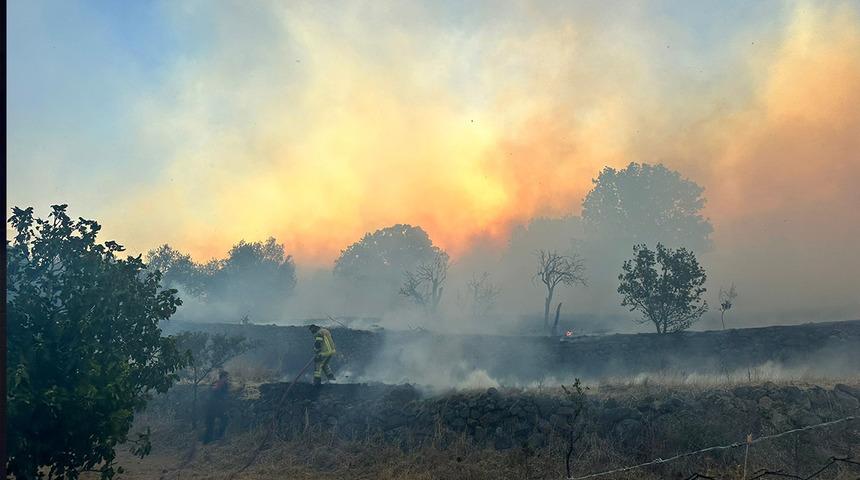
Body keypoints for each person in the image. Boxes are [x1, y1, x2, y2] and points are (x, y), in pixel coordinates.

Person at [203, 370, 230, 443]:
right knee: (210, 424)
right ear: (223, 377)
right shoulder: (217, 384)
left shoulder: (225, 384)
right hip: (212, 408)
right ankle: (209, 440)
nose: (227, 378)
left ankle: (217, 438)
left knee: (223, 420)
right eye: (226, 377)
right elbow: (213, 394)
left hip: (217, 408)